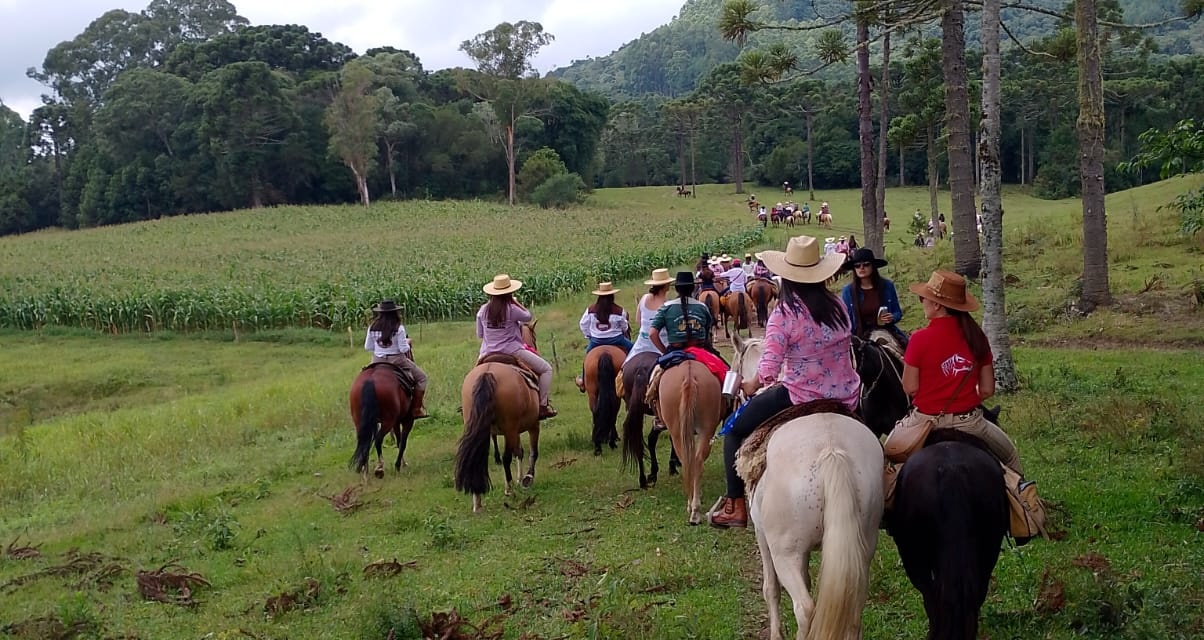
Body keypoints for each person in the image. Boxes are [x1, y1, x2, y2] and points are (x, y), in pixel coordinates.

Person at [710, 236, 859, 529]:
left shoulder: (784, 314)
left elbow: (768, 370)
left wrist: (750, 385)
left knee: (733, 431)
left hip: (798, 395)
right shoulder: (838, 305)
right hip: (846, 395)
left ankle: (735, 505)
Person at [477, 274, 557, 419]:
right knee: (546, 369)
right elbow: (528, 316)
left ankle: (470, 406)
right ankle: (543, 406)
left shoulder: (482, 310)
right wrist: (515, 303)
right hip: (512, 351)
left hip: (486, 352)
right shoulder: (511, 309)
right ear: (509, 293)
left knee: (476, 377)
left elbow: (480, 334)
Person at [650, 272, 730, 374]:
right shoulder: (702, 307)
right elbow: (707, 331)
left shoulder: (666, 307)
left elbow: (652, 333)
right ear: (693, 288)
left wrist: (664, 351)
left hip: (675, 350)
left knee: (653, 379)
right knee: (727, 370)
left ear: (677, 289)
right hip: (701, 349)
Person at [364, 300, 429, 418]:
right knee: (422, 378)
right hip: (397, 360)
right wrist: (408, 342)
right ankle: (416, 409)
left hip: (377, 361)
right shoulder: (399, 328)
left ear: (381, 313)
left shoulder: (372, 327)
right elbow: (404, 349)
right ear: (395, 312)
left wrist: (380, 350)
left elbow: (368, 347)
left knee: (364, 377)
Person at [575, 282, 633, 391]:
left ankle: (583, 380)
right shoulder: (619, 311)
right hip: (616, 339)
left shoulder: (591, 310)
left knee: (588, 355)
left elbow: (583, 324)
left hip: (596, 341)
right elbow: (625, 326)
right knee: (633, 349)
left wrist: (589, 335)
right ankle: (632, 376)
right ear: (612, 296)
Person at [839, 248, 905, 343]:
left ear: (873, 266)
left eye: (866, 264)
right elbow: (845, 320)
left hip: (885, 331)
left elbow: (897, 312)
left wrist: (891, 318)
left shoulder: (887, 285)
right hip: (858, 336)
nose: (861, 268)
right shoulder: (848, 291)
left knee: (906, 351)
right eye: (857, 266)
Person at [625, 268, 673, 365]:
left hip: (642, 344)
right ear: (666, 286)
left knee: (624, 370)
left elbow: (638, 320)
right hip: (662, 344)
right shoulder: (667, 305)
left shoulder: (644, 298)